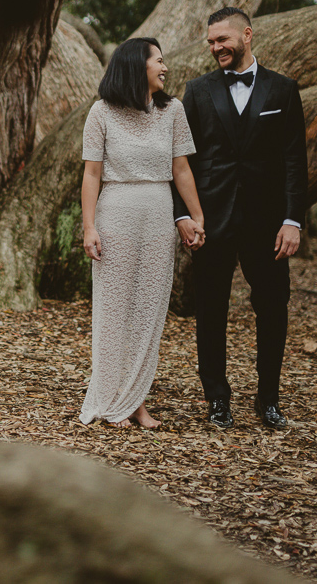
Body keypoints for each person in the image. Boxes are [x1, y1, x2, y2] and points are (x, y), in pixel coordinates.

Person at [173, 7, 308, 430]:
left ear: (246, 35)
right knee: (210, 310)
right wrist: (182, 216)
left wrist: (293, 220)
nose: (216, 49)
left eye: (222, 40)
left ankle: (268, 399)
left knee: (273, 309)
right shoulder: (196, 92)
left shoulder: (283, 90)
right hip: (210, 222)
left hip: (268, 226)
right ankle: (217, 399)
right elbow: (179, 162)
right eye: (211, 42)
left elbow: (294, 162)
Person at [79, 37, 205, 429]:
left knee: (148, 311)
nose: (165, 68)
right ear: (137, 66)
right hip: (115, 213)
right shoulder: (101, 113)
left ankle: (137, 402)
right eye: (159, 61)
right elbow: (92, 173)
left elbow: (181, 169)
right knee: (113, 310)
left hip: (157, 215)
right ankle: (112, 397)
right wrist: (88, 227)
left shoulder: (173, 110)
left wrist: (197, 217)